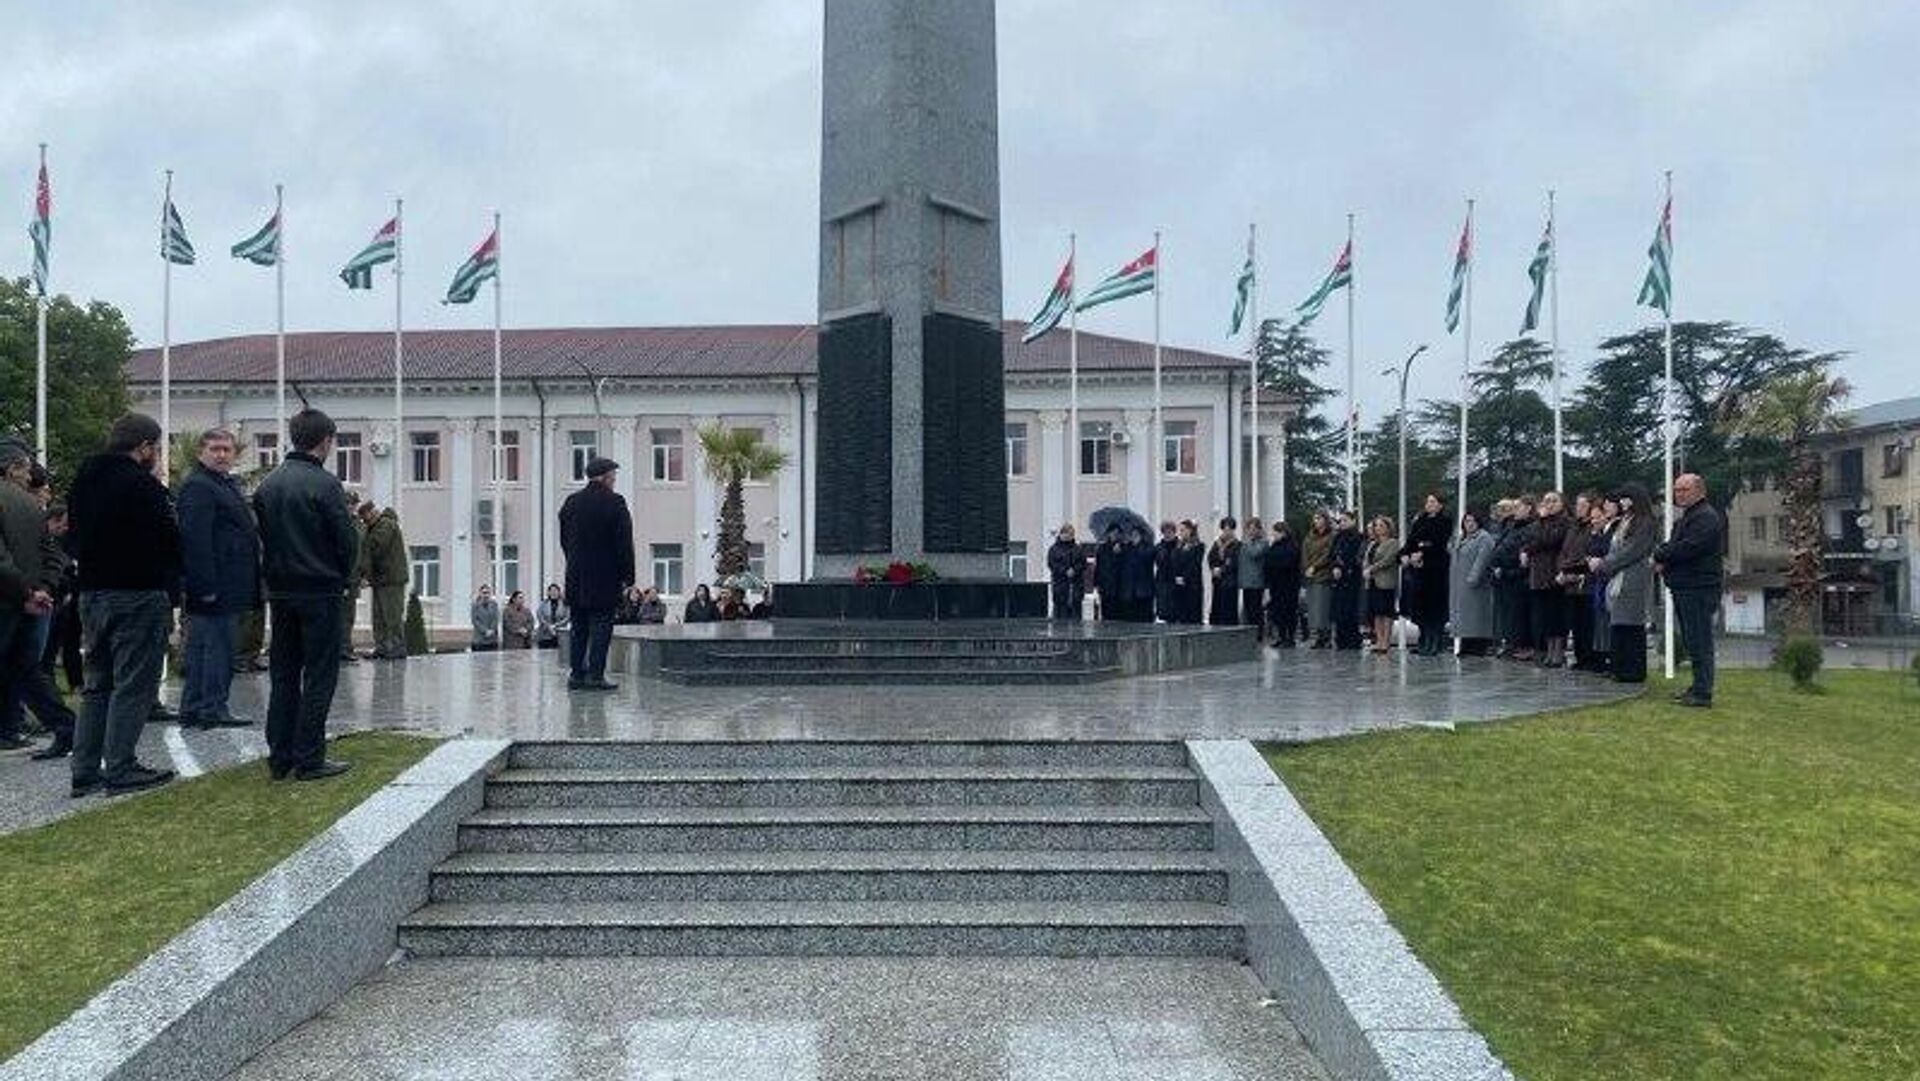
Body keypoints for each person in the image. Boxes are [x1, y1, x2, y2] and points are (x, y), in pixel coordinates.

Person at [66, 414, 180, 795]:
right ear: (144, 447)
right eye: (156, 448)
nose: (157, 456)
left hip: (92, 593)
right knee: (133, 683)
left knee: (97, 683)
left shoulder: (84, 481)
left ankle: (84, 768)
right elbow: (168, 538)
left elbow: (73, 536)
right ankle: (121, 765)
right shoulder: (142, 487)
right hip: (137, 593)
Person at [254, 408, 358, 781]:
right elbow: (346, 541)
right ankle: (310, 756)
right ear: (326, 441)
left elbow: (263, 539)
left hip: (281, 592)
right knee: (318, 675)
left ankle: (280, 755)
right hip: (320, 590)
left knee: (283, 674)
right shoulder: (326, 484)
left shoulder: (269, 485)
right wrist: (344, 577)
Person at [175, 428, 259, 729]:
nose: (222, 454)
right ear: (201, 452)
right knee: (215, 650)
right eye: (215, 449)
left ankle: (196, 707)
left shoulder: (222, 485)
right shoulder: (199, 486)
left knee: (206, 648)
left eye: (227, 449)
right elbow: (196, 541)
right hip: (215, 585)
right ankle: (211, 707)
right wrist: (205, 586)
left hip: (227, 583)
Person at [0, 439, 65, 754]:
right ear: (12, 469)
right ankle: (66, 727)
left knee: (22, 669)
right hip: (29, 600)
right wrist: (42, 590)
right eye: (26, 469)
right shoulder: (31, 505)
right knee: (26, 669)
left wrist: (27, 592)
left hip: (12, 598)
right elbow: (52, 555)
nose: (31, 477)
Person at [557, 457, 635, 690]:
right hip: (605, 577)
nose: (614, 480)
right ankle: (595, 675)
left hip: (576, 576)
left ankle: (576, 675)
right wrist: (628, 577)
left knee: (578, 626)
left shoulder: (571, 502)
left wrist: (575, 561)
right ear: (604, 476)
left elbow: (564, 540)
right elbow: (624, 543)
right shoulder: (615, 502)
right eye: (613, 475)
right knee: (601, 627)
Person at [1654, 473, 1725, 707]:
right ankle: (1697, 687)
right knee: (1692, 640)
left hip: (1699, 587)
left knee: (1699, 641)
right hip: (1686, 585)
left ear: (1700, 491)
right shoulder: (1689, 517)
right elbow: (1674, 543)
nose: (1679, 494)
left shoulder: (1705, 517)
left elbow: (1688, 547)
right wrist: (1664, 553)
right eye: (1676, 490)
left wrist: (1662, 555)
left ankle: (1703, 692)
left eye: (1684, 489)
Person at [1594, 483, 1656, 684]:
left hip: (1633, 577)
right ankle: (1619, 667)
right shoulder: (1625, 521)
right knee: (1619, 623)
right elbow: (1617, 549)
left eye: (1625, 498)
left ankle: (1632, 670)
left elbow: (1632, 550)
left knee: (1631, 624)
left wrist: (1605, 564)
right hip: (1618, 576)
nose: (1622, 502)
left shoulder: (1645, 522)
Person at [1523, 491, 1573, 668]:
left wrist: (1533, 546)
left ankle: (1558, 651)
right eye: (1546, 501)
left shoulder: (1566, 522)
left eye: (1553, 501)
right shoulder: (1539, 523)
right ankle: (1548, 650)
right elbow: (1529, 540)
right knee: (1545, 615)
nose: (1549, 504)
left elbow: (1550, 540)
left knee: (1556, 614)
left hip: (1555, 572)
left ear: (1562, 503)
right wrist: (1529, 548)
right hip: (1540, 574)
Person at [356, 500, 410, 660]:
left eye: (365, 518)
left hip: (392, 579)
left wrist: (363, 535)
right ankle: (382, 647)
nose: (364, 522)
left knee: (391, 615)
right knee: (379, 617)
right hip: (381, 579)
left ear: (372, 513)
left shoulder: (386, 525)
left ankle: (397, 647)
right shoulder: (375, 527)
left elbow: (376, 547)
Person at [1402, 494, 1452, 656]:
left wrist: (1422, 552)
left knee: (1434, 608)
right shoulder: (1420, 520)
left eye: (1432, 501)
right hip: (1419, 572)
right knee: (1420, 607)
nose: (1429, 504)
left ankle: (1435, 641)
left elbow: (1438, 543)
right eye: (1427, 501)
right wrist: (1405, 555)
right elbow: (1411, 542)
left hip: (1435, 569)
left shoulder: (1444, 521)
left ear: (1440, 505)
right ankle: (1423, 639)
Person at [1556, 492, 1598, 671]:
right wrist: (1562, 570)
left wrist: (1576, 571)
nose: (1578, 508)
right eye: (1577, 505)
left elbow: (1588, 551)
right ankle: (1580, 657)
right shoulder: (1573, 527)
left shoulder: (1592, 527)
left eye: (1582, 505)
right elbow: (1564, 550)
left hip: (1585, 580)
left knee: (1586, 621)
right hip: (1569, 582)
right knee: (1575, 622)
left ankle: (1589, 657)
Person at [1493, 496, 1536, 659]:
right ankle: (1511, 642)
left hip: (1518, 575)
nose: (1514, 511)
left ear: (1528, 508)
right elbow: (1500, 547)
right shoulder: (1511, 527)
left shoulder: (1530, 527)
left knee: (1519, 614)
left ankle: (1522, 645)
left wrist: (1507, 566)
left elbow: (1519, 552)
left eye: (1518, 507)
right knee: (1508, 614)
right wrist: (1496, 564)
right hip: (1505, 575)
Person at [1451, 506, 1498, 656]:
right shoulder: (1462, 538)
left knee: (1477, 616)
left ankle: (1479, 646)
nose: (1468, 524)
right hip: (1460, 582)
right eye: (1466, 521)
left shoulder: (1484, 537)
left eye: (1472, 521)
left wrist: (1473, 577)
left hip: (1476, 584)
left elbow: (1482, 559)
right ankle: (1466, 644)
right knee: (1465, 616)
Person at [1580, 496, 1618, 674]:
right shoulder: (1596, 533)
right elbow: (1588, 550)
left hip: (1607, 579)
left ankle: (1609, 658)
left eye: (1597, 517)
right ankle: (1601, 657)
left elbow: (1607, 551)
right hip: (1597, 580)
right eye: (1592, 518)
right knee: (1599, 622)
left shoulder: (1613, 530)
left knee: (1607, 621)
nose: (1594, 521)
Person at [1362, 516, 1401, 654]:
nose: (1377, 528)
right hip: (1372, 581)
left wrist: (1371, 569)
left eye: (1380, 525)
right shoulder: (1373, 543)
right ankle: (1379, 640)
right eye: (1376, 526)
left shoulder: (1393, 543)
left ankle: (1386, 641)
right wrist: (1366, 569)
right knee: (1376, 612)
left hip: (1386, 581)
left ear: (1388, 527)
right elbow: (1367, 558)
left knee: (1386, 612)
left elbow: (1388, 560)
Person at [1328, 511, 1365, 650]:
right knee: (1339, 610)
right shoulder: (1338, 537)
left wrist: (1345, 567)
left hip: (1352, 577)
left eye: (1345, 520)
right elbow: (1332, 555)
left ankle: (1353, 640)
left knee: (1351, 609)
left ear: (1353, 521)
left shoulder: (1358, 537)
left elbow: (1358, 557)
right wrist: (1335, 566)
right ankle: (1340, 640)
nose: (1342, 523)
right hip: (1338, 578)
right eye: (1340, 521)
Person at [1262, 520, 1301, 648]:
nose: (1274, 535)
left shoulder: (1292, 546)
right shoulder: (1274, 546)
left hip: (1289, 584)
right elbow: (1267, 562)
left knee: (1289, 611)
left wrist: (1275, 565)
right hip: (1276, 585)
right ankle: (1281, 636)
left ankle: (1290, 637)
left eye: (1276, 532)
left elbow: (1290, 562)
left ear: (1283, 532)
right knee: (1277, 611)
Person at [1302, 511, 1334, 648]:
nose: (1317, 520)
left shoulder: (1331, 536)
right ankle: (1317, 637)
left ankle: (1326, 636)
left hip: (1323, 575)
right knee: (1313, 608)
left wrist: (1315, 566)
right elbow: (1304, 553)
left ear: (1326, 520)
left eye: (1320, 518)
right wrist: (1307, 567)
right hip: (1310, 575)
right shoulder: (1309, 536)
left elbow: (1328, 554)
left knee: (1323, 607)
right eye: (1315, 518)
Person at [339, 490, 365, 664]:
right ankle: (342, 648)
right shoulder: (342, 523)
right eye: (350, 503)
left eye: (354, 503)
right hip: (345, 578)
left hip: (353, 578)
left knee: (349, 616)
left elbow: (360, 552)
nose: (353, 507)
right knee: (343, 616)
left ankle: (346, 647)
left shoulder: (355, 523)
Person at [1206, 517, 1240, 626]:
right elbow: (1210, 557)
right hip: (1218, 580)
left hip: (1230, 580)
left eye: (1229, 529)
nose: (1227, 531)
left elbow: (1234, 561)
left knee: (1229, 606)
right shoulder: (1217, 543)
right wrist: (1213, 568)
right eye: (1225, 529)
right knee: (1217, 605)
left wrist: (1222, 569)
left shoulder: (1237, 544)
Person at [1238, 516, 1268, 637]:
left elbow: (1254, 553)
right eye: (1248, 529)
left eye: (1253, 529)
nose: (1250, 531)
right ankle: (1249, 631)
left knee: (1256, 609)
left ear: (1259, 530)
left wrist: (1248, 542)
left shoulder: (1263, 543)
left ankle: (1258, 633)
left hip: (1256, 581)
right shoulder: (1246, 543)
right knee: (1248, 609)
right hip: (1246, 581)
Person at [1170, 520, 1205, 624]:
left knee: (1193, 614)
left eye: (1183, 530)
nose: (1180, 533)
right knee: (1182, 614)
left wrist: (1184, 577)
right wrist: (1177, 576)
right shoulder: (1178, 546)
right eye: (1180, 531)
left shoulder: (1198, 546)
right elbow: (1174, 561)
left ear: (1190, 530)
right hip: (1179, 584)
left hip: (1193, 585)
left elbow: (1194, 564)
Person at [1046, 524, 1083, 620]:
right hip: (1060, 587)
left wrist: (1075, 570)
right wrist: (1064, 571)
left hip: (1075, 588)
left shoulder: (1078, 549)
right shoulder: (1054, 549)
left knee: (1076, 616)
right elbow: (1052, 564)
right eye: (1067, 533)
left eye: (1071, 534)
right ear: (1062, 534)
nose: (1069, 536)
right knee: (1060, 616)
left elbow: (1083, 563)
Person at [1121, 527, 1156, 623]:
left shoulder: (1148, 547)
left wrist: (1138, 546)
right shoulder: (1127, 548)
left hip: (1144, 591)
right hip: (1129, 591)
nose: (1133, 537)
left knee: (1144, 618)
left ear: (1141, 536)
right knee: (1130, 619)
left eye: (1136, 534)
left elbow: (1147, 558)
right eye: (1132, 534)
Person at [1094, 526, 1126, 620]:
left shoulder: (1123, 547)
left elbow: (1124, 567)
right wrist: (1096, 583)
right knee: (1105, 612)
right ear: (1108, 534)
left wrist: (1118, 554)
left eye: (1117, 533)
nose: (1114, 535)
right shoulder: (1102, 548)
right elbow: (1099, 566)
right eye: (1113, 533)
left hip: (1119, 586)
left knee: (1118, 613)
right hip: (1105, 585)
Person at [1151, 521, 1179, 623]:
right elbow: (1156, 561)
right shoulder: (1158, 547)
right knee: (1164, 612)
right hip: (1162, 582)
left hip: (1174, 582)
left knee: (1175, 610)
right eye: (1165, 531)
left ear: (1174, 532)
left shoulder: (1179, 546)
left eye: (1170, 531)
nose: (1167, 534)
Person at [535, 584, 569, 648]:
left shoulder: (564, 604)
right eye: (551, 591)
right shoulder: (543, 604)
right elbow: (540, 615)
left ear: (559, 592)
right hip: (544, 634)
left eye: (555, 591)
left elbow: (567, 617)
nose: (553, 593)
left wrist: (555, 626)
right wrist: (548, 626)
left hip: (560, 634)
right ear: (548, 592)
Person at [470, 584, 501, 651]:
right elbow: (475, 620)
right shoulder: (475, 605)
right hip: (479, 640)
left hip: (492, 640)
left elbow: (496, 618)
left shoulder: (494, 604)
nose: (486, 595)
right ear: (480, 593)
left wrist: (492, 630)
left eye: (488, 593)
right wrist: (485, 631)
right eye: (484, 593)